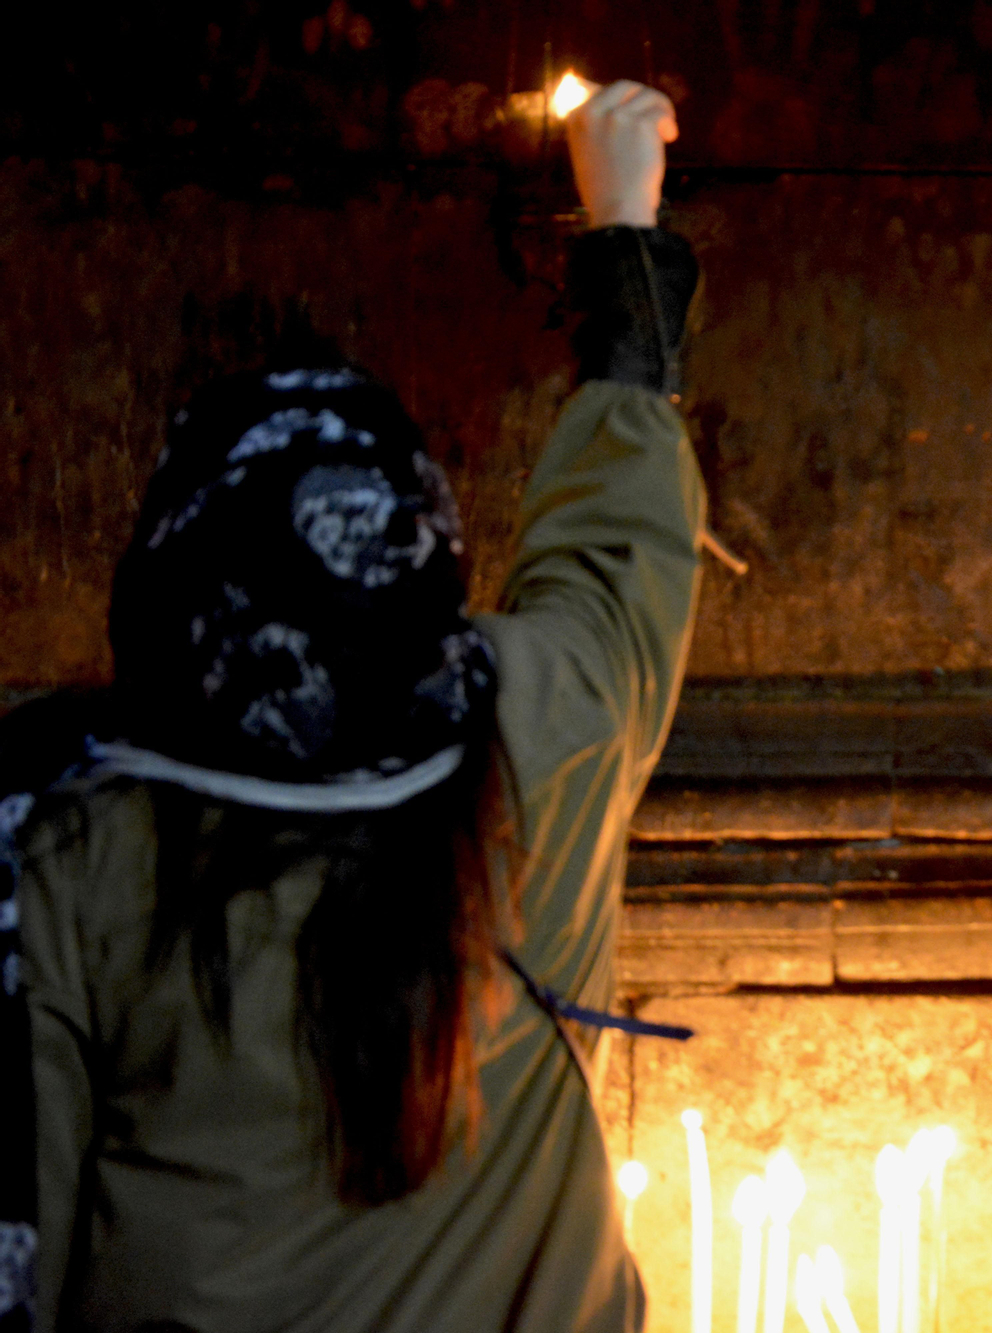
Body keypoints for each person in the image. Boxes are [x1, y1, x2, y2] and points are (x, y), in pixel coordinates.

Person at [3, 79, 702, 1332]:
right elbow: (616, 550)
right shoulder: (543, 727)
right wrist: (622, 233)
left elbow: (24, 1217)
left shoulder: (71, 850)